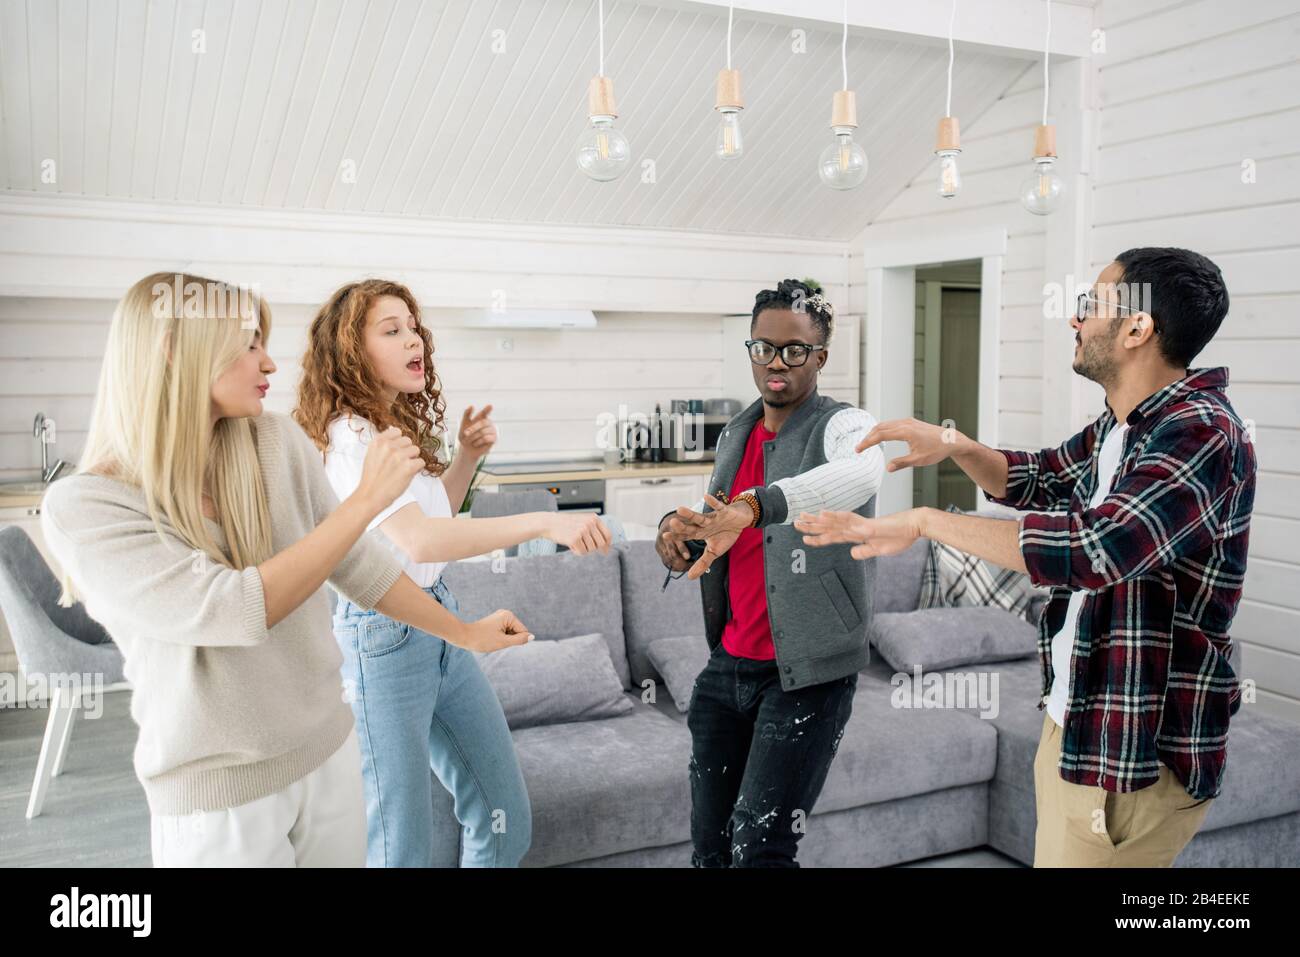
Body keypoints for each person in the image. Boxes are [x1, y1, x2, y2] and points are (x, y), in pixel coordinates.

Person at [41, 271, 532, 867]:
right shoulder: (86, 506)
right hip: (219, 797)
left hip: (326, 757)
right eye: (248, 343)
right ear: (175, 350)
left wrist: (464, 632)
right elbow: (234, 609)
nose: (269, 363)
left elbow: (360, 566)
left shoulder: (273, 442)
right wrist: (364, 504)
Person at [797, 248, 1255, 867]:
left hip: (1133, 752)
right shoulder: (1123, 427)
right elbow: (1039, 476)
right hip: (1079, 725)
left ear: (1138, 328)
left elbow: (1095, 548)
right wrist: (952, 443)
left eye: (1091, 305)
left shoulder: (1202, 434)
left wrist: (930, 520)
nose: (1076, 318)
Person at [296, 278, 611, 867]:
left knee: (502, 818)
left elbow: (426, 521)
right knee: (401, 848)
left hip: (436, 620)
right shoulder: (352, 437)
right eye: (391, 331)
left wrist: (465, 456)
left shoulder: (392, 424)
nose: (413, 338)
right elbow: (418, 539)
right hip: (382, 637)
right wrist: (543, 522)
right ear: (351, 351)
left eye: (412, 326)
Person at [656, 278, 885, 866]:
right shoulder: (736, 432)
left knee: (761, 848)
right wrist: (676, 535)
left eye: (793, 349)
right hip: (726, 668)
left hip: (806, 677)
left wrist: (759, 506)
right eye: (762, 347)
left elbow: (861, 476)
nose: (775, 363)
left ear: (821, 357)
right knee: (710, 850)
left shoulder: (843, 426)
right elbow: (719, 523)